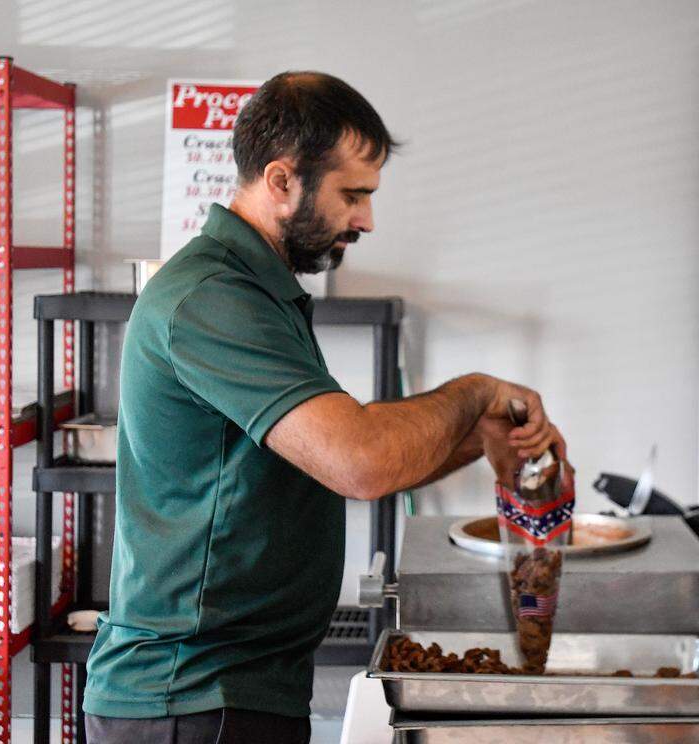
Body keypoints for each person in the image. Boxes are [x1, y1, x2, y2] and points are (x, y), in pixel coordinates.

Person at [83, 70, 566, 744]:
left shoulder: (260, 292)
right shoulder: (212, 298)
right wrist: (477, 391)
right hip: (191, 694)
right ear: (282, 181)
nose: (366, 220)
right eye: (352, 195)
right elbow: (360, 461)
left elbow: (329, 462)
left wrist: (475, 434)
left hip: (234, 686)